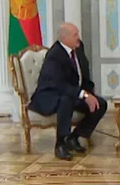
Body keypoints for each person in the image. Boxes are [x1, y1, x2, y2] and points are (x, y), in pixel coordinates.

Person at [29, 23, 108, 161]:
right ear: (64, 38)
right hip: (50, 95)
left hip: (72, 93)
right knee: (66, 100)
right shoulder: (54, 55)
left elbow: (84, 74)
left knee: (100, 104)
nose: (78, 37)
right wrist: (83, 95)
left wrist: (89, 94)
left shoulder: (79, 47)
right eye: (75, 35)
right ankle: (60, 144)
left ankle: (74, 137)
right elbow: (59, 84)